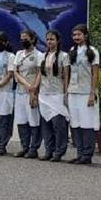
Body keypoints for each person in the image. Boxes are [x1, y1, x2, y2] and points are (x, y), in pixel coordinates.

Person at [65, 25, 100, 165]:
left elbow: (95, 73)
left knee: (87, 124)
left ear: (85, 35)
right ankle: (79, 153)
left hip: (86, 92)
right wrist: (67, 91)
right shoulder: (72, 51)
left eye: (79, 34)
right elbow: (67, 72)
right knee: (75, 124)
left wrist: (93, 93)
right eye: (74, 35)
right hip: (73, 91)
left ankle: (87, 154)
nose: (76, 37)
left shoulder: (92, 51)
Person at [38, 30, 71, 162]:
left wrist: (66, 93)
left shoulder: (64, 56)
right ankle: (48, 150)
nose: (49, 42)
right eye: (48, 39)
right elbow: (40, 75)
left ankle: (59, 151)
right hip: (44, 93)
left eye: (52, 39)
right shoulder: (42, 56)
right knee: (46, 124)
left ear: (57, 41)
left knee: (59, 125)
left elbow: (66, 76)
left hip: (57, 94)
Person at [11, 29, 44, 158]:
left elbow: (40, 73)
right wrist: (26, 84)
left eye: (25, 38)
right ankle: (24, 147)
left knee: (33, 120)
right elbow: (15, 71)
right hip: (20, 91)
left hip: (32, 92)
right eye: (21, 38)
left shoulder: (38, 55)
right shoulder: (19, 54)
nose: (23, 40)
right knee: (21, 120)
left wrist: (34, 87)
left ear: (32, 39)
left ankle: (33, 148)